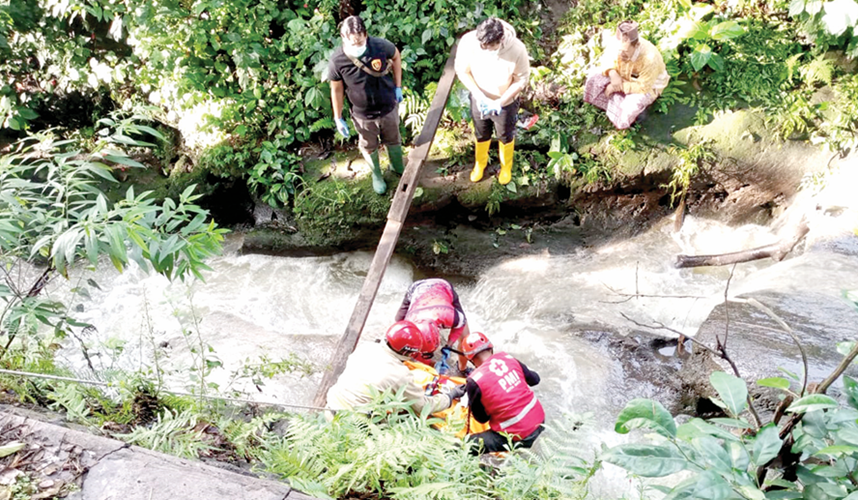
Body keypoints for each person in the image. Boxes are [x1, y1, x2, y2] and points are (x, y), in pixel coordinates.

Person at [327, 15, 404, 195]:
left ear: (365, 35)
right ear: (343, 38)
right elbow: (336, 90)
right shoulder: (338, 60)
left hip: (388, 106)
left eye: (360, 42)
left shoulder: (379, 46)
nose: (357, 46)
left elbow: (396, 56)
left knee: (393, 138)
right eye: (353, 43)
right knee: (369, 145)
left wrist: (398, 86)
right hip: (363, 114)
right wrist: (338, 117)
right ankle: (376, 174)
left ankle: (398, 166)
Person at [326, 321, 465, 413]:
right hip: (353, 421)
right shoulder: (399, 374)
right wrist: (449, 396)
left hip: (331, 404)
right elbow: (423, 406)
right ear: (407, 352)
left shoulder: (366, 347)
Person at [454, 17, 530, 185]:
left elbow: (521, 80)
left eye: (489, 47)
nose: (485, 49)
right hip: (479, 97)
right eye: (482, 46)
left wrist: (501, 102)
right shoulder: (469, 42)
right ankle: (480, 164)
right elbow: (462, 70)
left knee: (505, 135)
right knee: (481, 132)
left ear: (500, 40)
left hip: (505, 101)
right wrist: (478, 94)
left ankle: (506, 167)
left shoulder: (517, 49)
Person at [460, 332, 545, 454]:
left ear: (471, 360)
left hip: (517, 436)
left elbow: (482, 419)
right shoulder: (508, 358)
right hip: (540, 420)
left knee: (466, 444)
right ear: (491, 348)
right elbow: (535, 380)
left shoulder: (474, 381)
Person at [583, 20, 670, 130]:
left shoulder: (650, 59)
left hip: (645, 86)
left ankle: (633, 117)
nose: (620, 54)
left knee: (632, 106)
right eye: (618, 50)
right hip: (620, 75)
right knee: (593, 77)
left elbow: (643, 87)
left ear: (636, 45)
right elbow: (606, 58)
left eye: (624, 51)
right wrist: (612, 73)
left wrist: (616, 87)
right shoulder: (617, 44)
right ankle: (608, 105)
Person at [394, 278, 471, 374]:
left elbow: (461, 324)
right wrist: (433, 365)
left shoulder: (449, 315)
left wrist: (449, 344)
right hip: (417, 289)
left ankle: (462, 368)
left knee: (466, 339)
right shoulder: (408, 323)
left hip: (443, 287)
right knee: (397, 326)